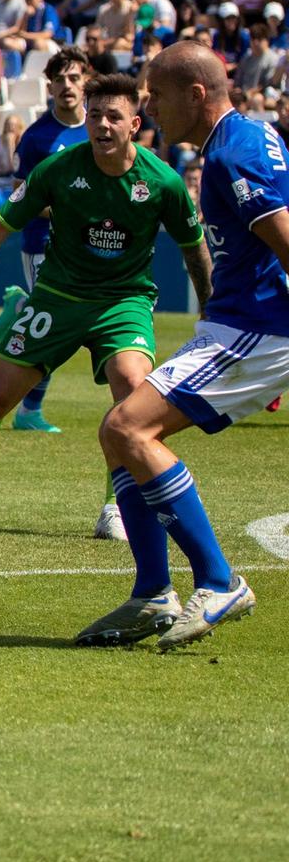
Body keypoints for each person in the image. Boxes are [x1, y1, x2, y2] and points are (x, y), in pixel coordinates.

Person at [0, 73, 211, 548]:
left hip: (122, 303)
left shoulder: (163, 182)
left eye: (113, 116)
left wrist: (210, 313)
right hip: (57, 298)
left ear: (134, 123)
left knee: (132, 396)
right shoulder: (59, 169)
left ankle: (115, 509)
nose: (101, 124)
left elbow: (195, 249)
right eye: (95, 116)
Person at [93, 45, 289, 649]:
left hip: (259, 326)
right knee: (116, 433)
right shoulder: (250, 136)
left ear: (195, 95)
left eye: (156, 96)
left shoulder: (234, 151)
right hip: (237, 321)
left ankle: (219, 579)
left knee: (130, 428)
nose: (148, 108)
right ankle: (152, 593)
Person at [0, 46, 93, 433]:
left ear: (87, 81)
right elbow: (21, 197)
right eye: (60, 80)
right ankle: (28, 413)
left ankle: (22, 308)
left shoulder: (101, 126)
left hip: (91, 247)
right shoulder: (37, 138)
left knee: (64, 324)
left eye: (74, 78)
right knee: (55, 327)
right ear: (49, 87)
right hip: (45, 245)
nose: (67, 86)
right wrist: (73, 214)